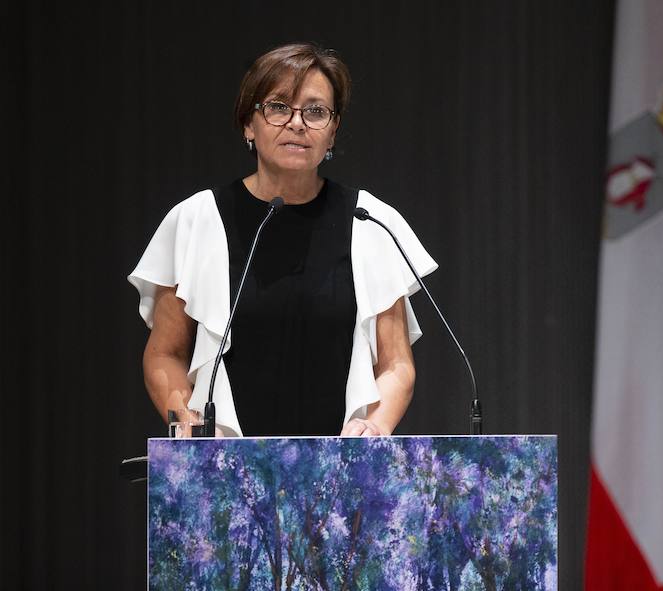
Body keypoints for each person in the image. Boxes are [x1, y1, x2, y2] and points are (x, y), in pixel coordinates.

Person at [128, 43, 437, 437]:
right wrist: (190, 429)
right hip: (228, 470)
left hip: (342, 470)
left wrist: (376, 427)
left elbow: (396, 364)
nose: (297, 123)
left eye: (315, 111)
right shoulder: (197, 221)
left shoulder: (370, 222)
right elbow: (164, 354)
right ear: (248, 124)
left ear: (333, 130)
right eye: (278, 107)